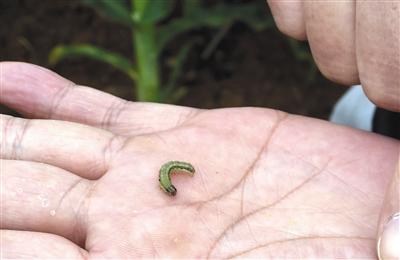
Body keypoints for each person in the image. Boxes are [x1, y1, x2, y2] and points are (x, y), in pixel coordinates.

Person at [1, 1, 398, 258]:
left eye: (171, 182)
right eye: (171, 181)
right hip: (375, 126)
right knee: (359, 116)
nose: (171, 182)